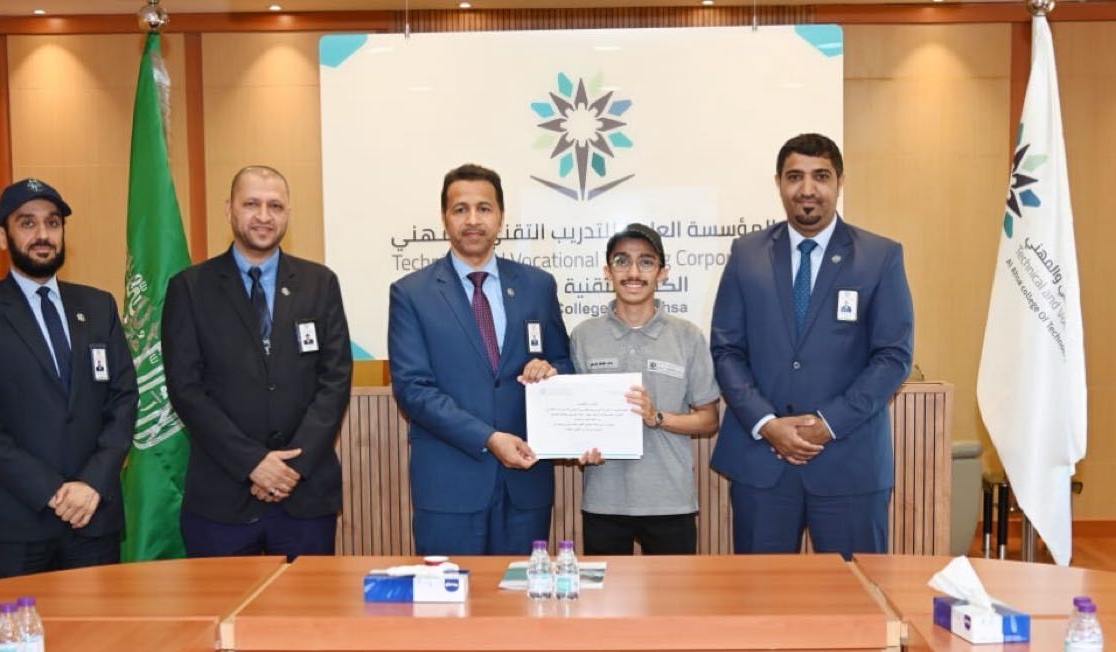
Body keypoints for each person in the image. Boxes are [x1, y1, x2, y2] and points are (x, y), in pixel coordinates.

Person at [709, 133, 914, 557]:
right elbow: (727, 349)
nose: (807, 189)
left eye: (821, 176)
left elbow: (893, 356)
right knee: (760, 594)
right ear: (778, 183)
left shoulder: (880, 256)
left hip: (848, 461)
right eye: (794, 176)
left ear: (840, 182)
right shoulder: (746, 254)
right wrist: (767, 423)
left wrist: (828, 423)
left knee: (854, 592)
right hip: (762, 462)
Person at [0, 178, 137, 579]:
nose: (43, 235)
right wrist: (51, 490)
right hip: (16, 523)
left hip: (92, 516)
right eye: (27, 223)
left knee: (100, 622)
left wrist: (91, 483)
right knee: (21, 623)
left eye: (52, 223)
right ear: (2, 236)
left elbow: (123, 399)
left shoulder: (98, 306)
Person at [162, 165, 352, 559]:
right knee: (223, 602)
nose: (264, 216)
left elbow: (335, 381)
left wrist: (291, 467)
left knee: (308, 602)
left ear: (288, 213)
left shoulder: (320, 283)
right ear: (228, 209)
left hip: (304, 494)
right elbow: (186, 389)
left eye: (275, 206)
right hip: (221, 497)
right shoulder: (189, 288)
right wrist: (252, 462)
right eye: (251, 204)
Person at [388, 163, 571, 555]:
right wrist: (488, 438)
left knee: (522, 591)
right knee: (451, 593)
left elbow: (563, 362)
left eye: (484, 208)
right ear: (444, 218)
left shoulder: (538, 286)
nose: (473, 220)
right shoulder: (411, 293)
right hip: (449, 488)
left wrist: (550, 371)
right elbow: (413, 390)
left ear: (500, 216)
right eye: (461, 209)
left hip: (526, 484)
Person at [572, 224, 720, 555]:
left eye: (646, 262)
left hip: (671, 501)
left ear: (662, 273)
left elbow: (709, 420)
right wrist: (581, 445)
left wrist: (657, 417)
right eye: (622, 261)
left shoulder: (687, 336)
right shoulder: (583, 336)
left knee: (677, 592)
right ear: (607, 272)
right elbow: (574, 416)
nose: (633, 272)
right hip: (604, 501)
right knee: (606, 592)